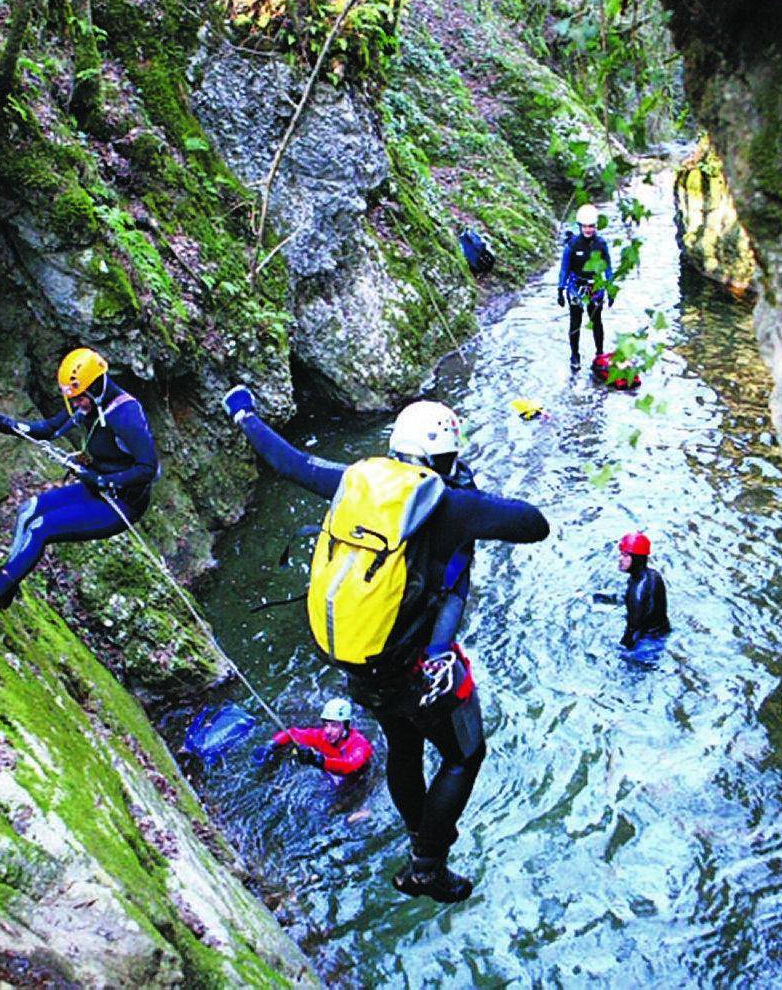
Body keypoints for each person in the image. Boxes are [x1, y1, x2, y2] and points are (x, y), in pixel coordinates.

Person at [221, 387, 549, 904]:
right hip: (419, 670)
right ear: (444, 457)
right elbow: (534, 524)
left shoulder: (355, 486)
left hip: (364, 667)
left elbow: (289, 462)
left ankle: (420, 841)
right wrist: (470, 495)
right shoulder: (451, 505)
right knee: (465, 756)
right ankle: (427, 865)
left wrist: (243, 413)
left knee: (404, 747)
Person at [0, 348, 159, 628]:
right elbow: (49, 427)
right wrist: (14, 427)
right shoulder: (87, 404)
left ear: (96, 387)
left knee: (42, 528)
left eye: (79, 398)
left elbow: (148, 468)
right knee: (28, 511)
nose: (76, 405)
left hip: (121, 503)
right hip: (96, 488)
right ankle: (5, 581)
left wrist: (106, 481)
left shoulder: (125, 415)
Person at [258, 697, 374, 781]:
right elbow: (291, 733)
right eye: (326, 724)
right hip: (330, 773)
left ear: (346, 726)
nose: (328, 731)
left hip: (357, 781)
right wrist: (271, 746)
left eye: (334, 725)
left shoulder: (360, 744)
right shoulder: (320, 736)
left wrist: (317, 760)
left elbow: (349, 765)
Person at [558, 203, 614, 371]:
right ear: (580, 226)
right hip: (576, 288)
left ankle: (599, 354)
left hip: (595, 288)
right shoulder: (572, 245)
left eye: (591, 226)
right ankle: (575, 355)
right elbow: (564, 269)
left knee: (596, 321)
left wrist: (611, 290)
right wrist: (560, 290)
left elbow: (608, 268)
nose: (588, 230)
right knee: (575, 322)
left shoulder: (601, 244)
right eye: (585, 226)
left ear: (596, 226)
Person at [619, 532, 670, 648]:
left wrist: (622, 649)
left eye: (625, 555)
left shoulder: (637, 593)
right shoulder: (653, 575)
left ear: (637, 559)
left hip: (647, 642)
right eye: (621, 554)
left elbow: (633, 630)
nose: (620, 559)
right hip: (662, 631)